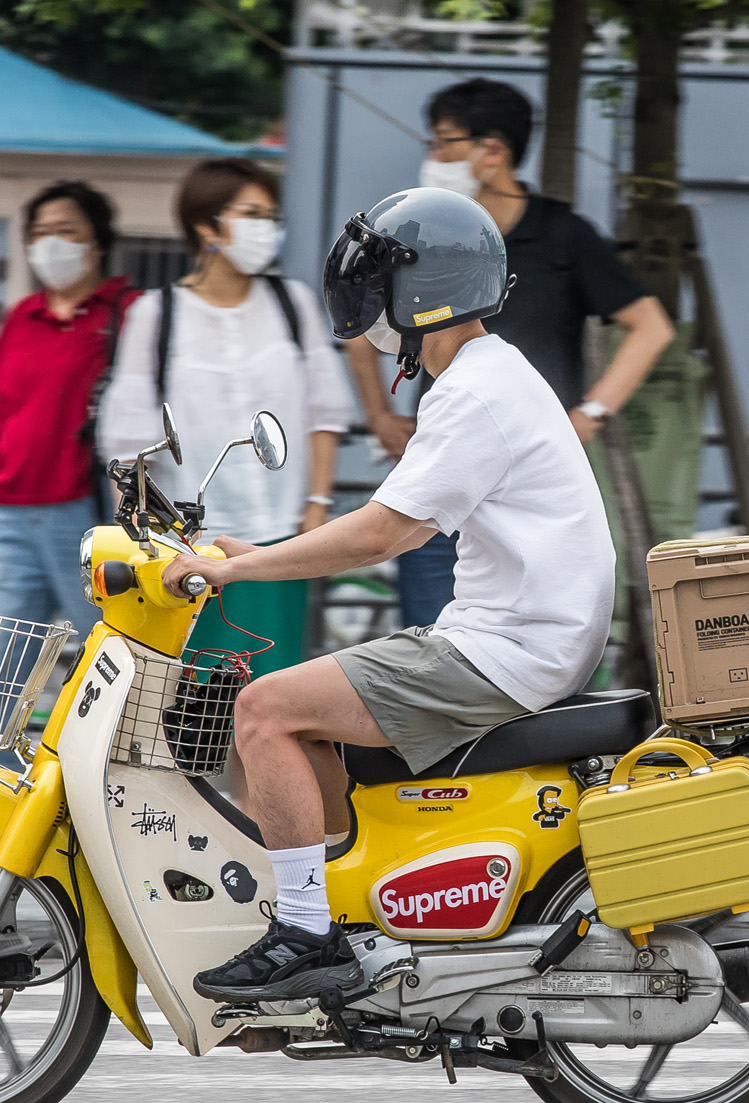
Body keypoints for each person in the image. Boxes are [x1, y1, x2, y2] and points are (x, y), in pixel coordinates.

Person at [162, 187, 616, 1002]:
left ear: (421, 288)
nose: (367, 298)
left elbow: (380, 535)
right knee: (306, 723)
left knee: (264, 709)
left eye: (379, 279)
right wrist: (261, 551)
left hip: (506, 651)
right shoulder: (488, 375)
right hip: (521, 638)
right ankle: (341, 911)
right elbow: (387, 519)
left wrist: (240, 567)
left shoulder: (474, 392)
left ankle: (305, 933)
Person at [349, 77, 674, 627]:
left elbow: (651, 327)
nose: (431, 157)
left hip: (528, 491)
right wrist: (380, 414)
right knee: (428, 640)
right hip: (440, 466)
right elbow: (359, 323)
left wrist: (588, 416)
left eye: (442, 143)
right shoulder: (424, 234)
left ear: (492, 151)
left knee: (523, 637)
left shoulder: (563, 236)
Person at [100, 158, 350, 676]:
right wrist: (142, 541)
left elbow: (324, 410)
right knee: (190, 695)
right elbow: (127, 438)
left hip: (281, 541)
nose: (267, 229)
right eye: (252, 214)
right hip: (193, 547)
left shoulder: (292, 303)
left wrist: (318, 504)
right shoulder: (156, 313)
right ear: (207, 225)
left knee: (273, 680)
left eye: (272, 216)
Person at [0, 181, 133, 634]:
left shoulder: (130, 312)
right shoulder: (24, 315)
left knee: (108, 656)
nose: (50, 243)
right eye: (39, 233)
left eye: (67, 230)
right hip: (5, 512)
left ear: (97, 242)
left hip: (88, 513)